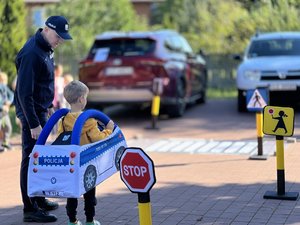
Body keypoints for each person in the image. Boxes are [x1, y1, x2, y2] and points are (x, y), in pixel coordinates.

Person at [14, 15, 72, 223]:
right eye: (58, 36)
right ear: (46, 30)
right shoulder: (32, 53)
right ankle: (30, 208)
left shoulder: (46, 48)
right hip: (32, 113)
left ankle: (38, 198)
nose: (60, 41)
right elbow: (24, 93)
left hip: (41, 111)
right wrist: (34, 123)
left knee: (37, 158)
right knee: (30, 159)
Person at [57, 80, 114, 225]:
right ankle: (90, 220)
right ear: (82, 98)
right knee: (89, 194)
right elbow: (98, 138)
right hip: (87, 163)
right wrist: (109, 130)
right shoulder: (89, 120)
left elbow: (60, 140)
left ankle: (73, 220)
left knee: (72, 194)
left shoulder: (63, 120)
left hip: (71, 163)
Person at [0, 71, 14, 151]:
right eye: (2, 81)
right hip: (1, 111)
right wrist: (2, 107)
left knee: (8, 127)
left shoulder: (5, 87)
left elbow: (11, 95)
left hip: (4, 113)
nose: (4, 83)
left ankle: (5, 143)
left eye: (5, 81)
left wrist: (9, 101)